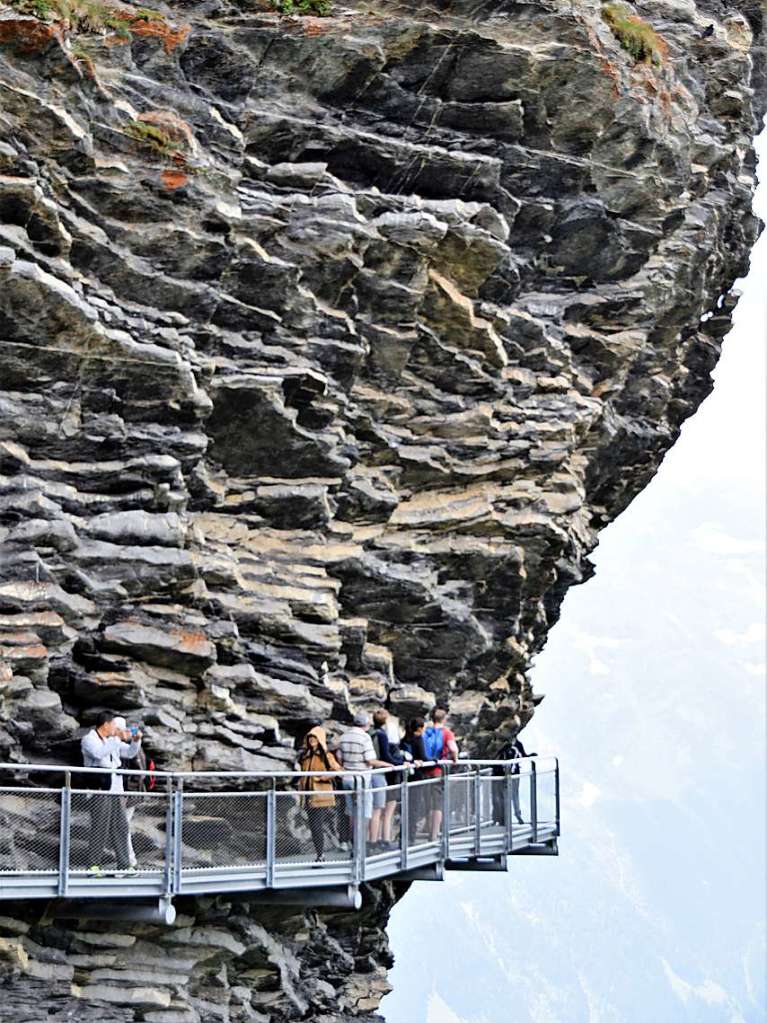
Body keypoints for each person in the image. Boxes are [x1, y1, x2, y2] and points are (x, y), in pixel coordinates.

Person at [80, 710, 142, 876]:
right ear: (106, 724)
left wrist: (136, 740)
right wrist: (117, 738)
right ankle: (93, 867)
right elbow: (99, 753)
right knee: (100, 827)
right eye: (114, 725)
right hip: (99, 790)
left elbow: (129, 752)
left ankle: (124, 865)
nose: (116, 729)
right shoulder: (89, 739)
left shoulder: (111, 740)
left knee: (121, 827)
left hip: (115, 791)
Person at [335, 710, 389, 849]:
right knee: (365, 812)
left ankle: (354, 842)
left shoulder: (344, 736)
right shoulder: (365, 737)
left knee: (351, 812)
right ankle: (362, 844)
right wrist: (387, 764)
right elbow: (370, 760)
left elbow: (339, 758)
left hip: (346, 778)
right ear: (365, 724)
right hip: (361, 779)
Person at [296, 726, 342, 862]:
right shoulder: (306, 756)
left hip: (321, 795)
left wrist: (322, 777)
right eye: (310, 737)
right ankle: (320, 854)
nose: (311, 740)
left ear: (320, 739)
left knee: (316, 825)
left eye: (314, 737)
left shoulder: (326, 755)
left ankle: (320, 855)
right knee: (313, 825)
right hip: (308, 795)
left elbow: (337, 770)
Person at [370, 709, 409, 850]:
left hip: (373, 774)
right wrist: (400, 763)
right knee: (386, 811)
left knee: (378, 811)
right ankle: (384, 840)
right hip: (385, 776)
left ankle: (376, 839)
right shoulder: (383, 736)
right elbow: (387, 756)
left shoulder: (370, 733)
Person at [423, 708, 459, 842]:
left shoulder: (426, 732)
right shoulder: (446, 733)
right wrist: (455, 759)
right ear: (444, 719)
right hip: (438, 771)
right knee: (437, 803)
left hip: (425, 771)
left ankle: (427, 828)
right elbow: (453, 749)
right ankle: (433, 835)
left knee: (427, 801)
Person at [492, 735, 534, 825]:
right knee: (504, 797)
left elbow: (523, 755)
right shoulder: (507, 745)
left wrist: (530, 756)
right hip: (503, 774)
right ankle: (503, 819)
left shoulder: (514, 745)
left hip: (508, 774)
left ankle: (508, 818)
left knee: (507, 796)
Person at [401, 717, 427, 843]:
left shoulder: (404, 740)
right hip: (416, 776)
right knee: (414, 807)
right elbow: (423, 757)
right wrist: (435, 761)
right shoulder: (418, 739)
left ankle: (402, 835)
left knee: (405, 806)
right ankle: (410, 836)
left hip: (405, 777)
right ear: (420, 728)